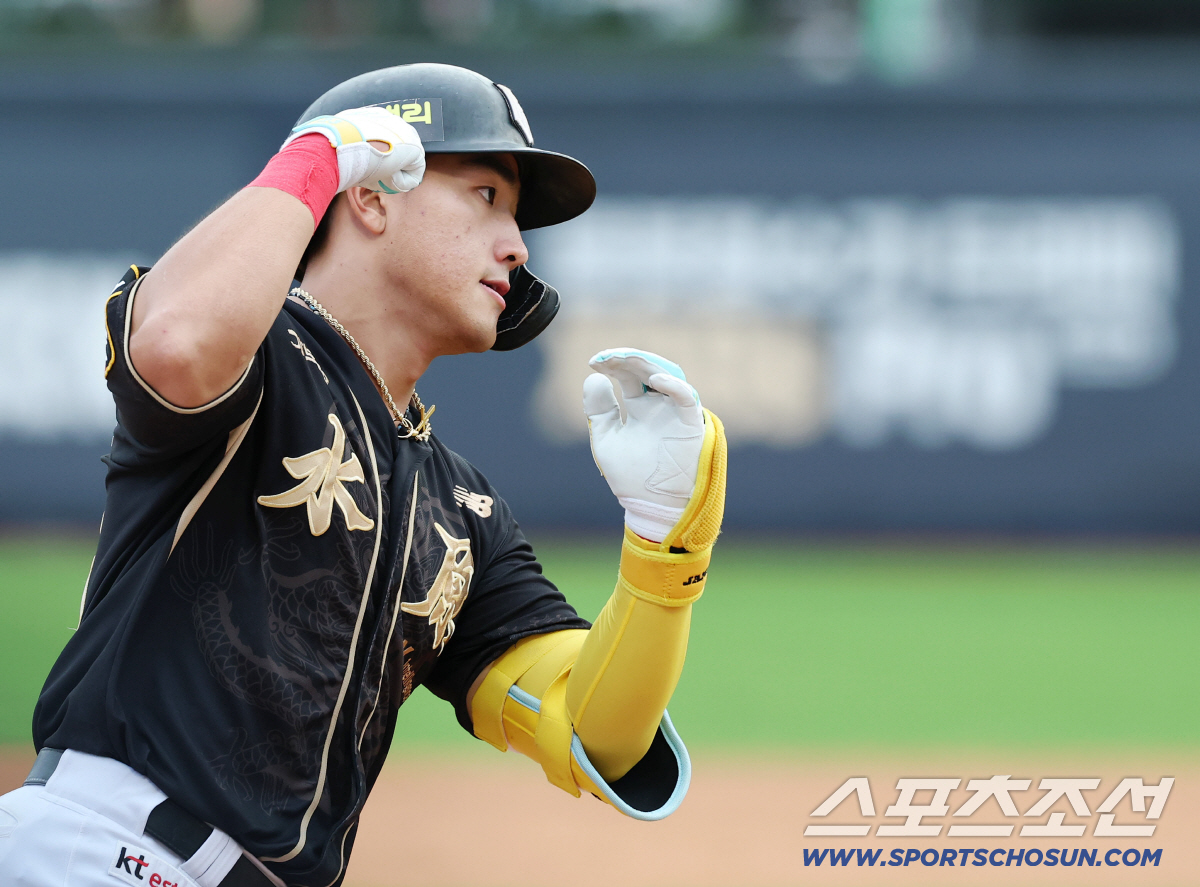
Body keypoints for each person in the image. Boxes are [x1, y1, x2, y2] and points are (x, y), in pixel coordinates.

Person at [0, 63, 726, 887]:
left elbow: (593, 732)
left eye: (515, 214)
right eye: (486, 194)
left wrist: (664, 549)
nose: (517, 244)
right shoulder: (264, 357)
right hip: (105, 852)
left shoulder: (464, 511)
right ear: (372, 195)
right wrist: (317, 158)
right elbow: (174, 342)